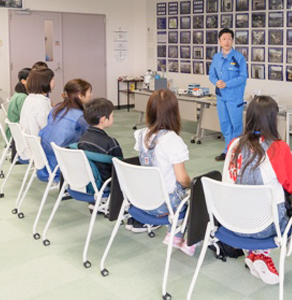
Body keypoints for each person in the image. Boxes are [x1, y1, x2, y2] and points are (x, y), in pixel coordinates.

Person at [222, 95, 292, 285]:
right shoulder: (279, 148)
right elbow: (290, 185)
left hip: (232, 222)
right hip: (266, 226)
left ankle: (256, 253)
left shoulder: (233, 145)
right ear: (274, 119)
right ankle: (262, 253)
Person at [134, 89, 195, 255]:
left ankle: (176, 233)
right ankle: (180, 236)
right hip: (164, 205)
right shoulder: (172, 140)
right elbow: (182, 178)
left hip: (142, 199)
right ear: (174, 112)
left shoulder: (140, 135)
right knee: (198, 196)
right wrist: (193, 185)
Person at [38, 79, 92, 182]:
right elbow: (91, 135)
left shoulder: (57, 108)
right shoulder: (80, 116)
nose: (91, 95)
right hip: (62, 162)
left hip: (47, 160)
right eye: (89, 92)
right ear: (80, 96)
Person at [208, 28, 248, 161]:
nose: (226, 42)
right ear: (219, 41)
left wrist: (227, 84)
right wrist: (216, 82)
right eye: (224, 39)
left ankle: (237, 151)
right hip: (221, 97)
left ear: (232, 40)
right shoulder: (216, 57)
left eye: (229, 39)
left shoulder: (238, 57)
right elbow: (212, 75)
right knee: (225, 124)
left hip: (234, 97)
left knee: (236, 125)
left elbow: (243, 77)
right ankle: (227, 151)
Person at [77, 98, 123, 186]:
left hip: (90, 181)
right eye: (112, 115)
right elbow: (120, 166)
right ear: (104, 119)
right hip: (106, 183)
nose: (113, 117)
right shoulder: (111, 143)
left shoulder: (82, 138)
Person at [19, 68, 55, 137]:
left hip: (30, 142)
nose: (54, 81)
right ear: (44, 82)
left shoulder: (30, 98)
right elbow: (47, 128)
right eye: (52, 79)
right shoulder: (41, 103)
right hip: (40, 142)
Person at [5, 67, 31, 159]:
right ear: (23, 81)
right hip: (17, 135)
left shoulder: (19, 94)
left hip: (14, 132)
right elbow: (26, 118)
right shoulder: (22, 97)